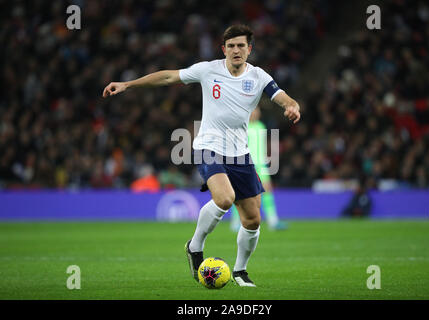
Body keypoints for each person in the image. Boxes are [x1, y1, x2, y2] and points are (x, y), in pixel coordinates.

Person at [103, 24, 301, 287]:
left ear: (249, 49)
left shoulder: (259, 77)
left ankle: (240, 271)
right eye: (230, 46)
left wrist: (292, 106)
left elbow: (282, 97)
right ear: (223, 49)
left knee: (253, 219)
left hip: (240, 153)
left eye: (241, 45)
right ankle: (195, 246)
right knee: (225, 198)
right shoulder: (209, 70)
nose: (236, 50)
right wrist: (129, 84)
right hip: (209, 145)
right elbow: (168, 77)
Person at [230, 106, 288, 232]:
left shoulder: (261, 126)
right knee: (240, 194)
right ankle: (235, 223)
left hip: (261, 165)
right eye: (254, 111)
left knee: (267, 190)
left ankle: (273, 221)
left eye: (258, 110)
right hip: (246, 165)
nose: (257, 113)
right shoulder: (241, 127)